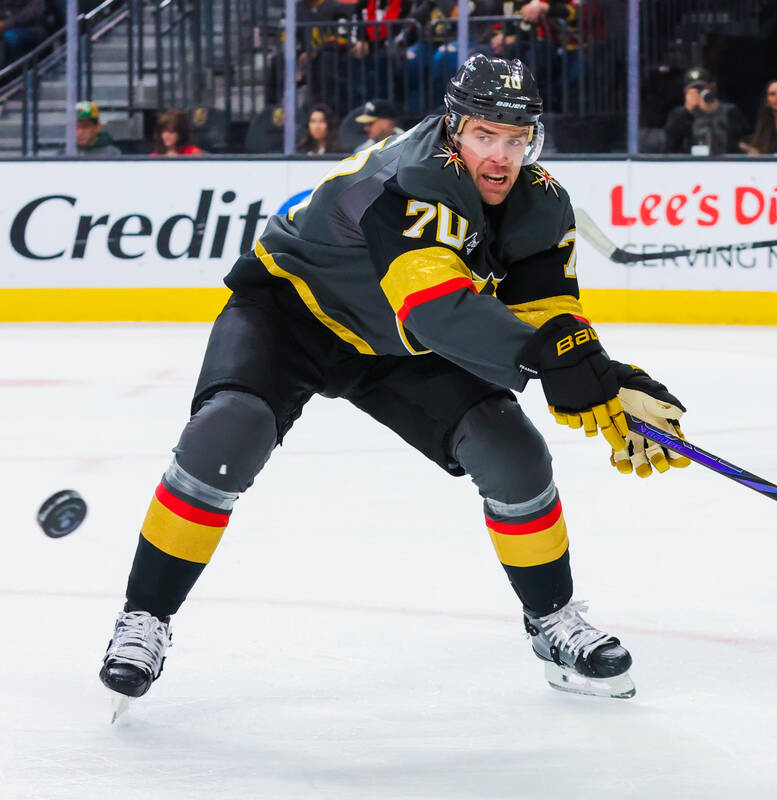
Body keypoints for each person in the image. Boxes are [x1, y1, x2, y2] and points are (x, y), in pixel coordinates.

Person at [97, 54, 689, 713]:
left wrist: (610, 378)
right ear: (452, 127)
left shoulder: (541, 201)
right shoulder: (409, 176)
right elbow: (436, 310)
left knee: (513, 454)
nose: (500, 156)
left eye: (515, 139)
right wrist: (568, 372)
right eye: (484, 135)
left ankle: (552, 621)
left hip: (395, 343)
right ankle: (144, 616)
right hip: (294, 309)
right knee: (225, 435)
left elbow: (550, 315)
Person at [663, 67, 749, 156]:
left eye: (702, 88)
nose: (699, 93)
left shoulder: (730, 111)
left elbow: (742, 143)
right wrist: (687, 111)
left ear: (712, 87)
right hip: (689, 164)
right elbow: (669, 147)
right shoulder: (678, 115)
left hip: (724, 164)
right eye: (695, 90)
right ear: (686, 92)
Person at [0, 0, 47, 68]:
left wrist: (5, 25)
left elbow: (32, 13)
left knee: (10, 36)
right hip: (5, 30)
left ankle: (18, 71)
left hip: (32, 29)